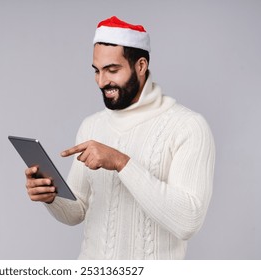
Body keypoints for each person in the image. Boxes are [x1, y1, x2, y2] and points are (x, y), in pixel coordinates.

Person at [24, 16, 215, 259]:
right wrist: (51, 197)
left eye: (112, 70)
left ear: (141, 66)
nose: (102, 82)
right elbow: (77, 212)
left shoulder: (188, 126)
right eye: (97, 71)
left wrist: (122, 163)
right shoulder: (92, 125)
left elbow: (188, 221)